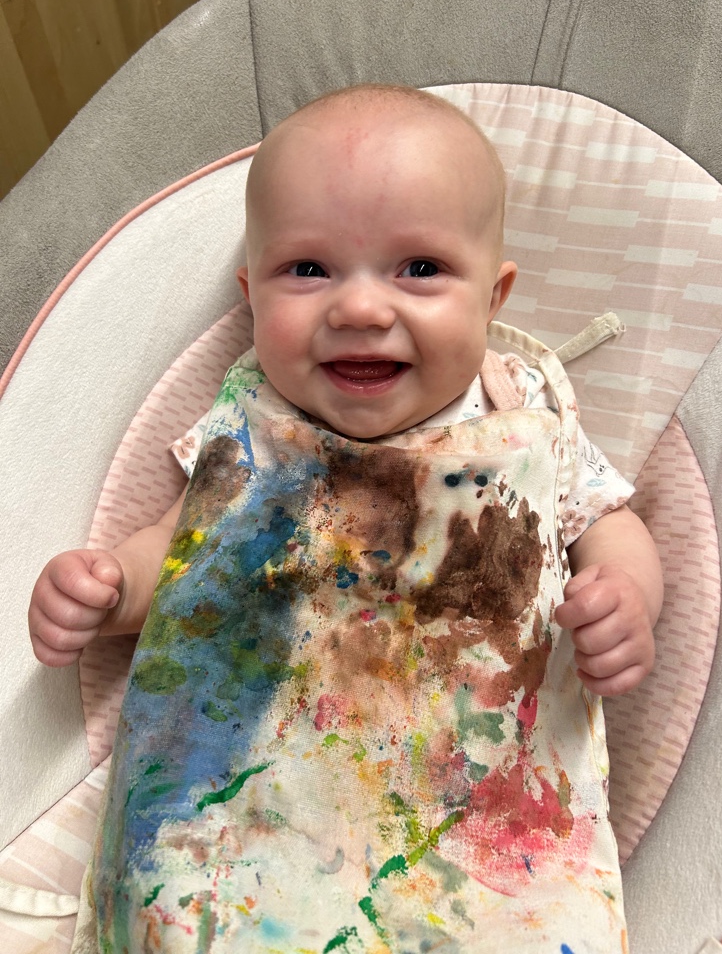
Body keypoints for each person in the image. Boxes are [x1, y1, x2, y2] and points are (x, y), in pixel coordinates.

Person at [30, 84, 662, 952]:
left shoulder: (523, 417)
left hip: (468, 807)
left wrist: (625, 593)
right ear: (252, 296)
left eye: (420, 270)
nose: (361, 308)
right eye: (309, 269)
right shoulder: (251, 427)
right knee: (183, 904)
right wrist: (112, 592)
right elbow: (184, 547)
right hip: (254, 802)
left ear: (494, 296)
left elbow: (610, 521)